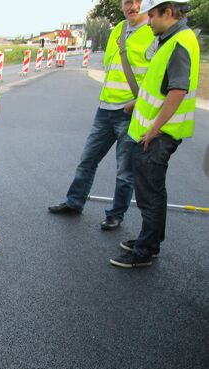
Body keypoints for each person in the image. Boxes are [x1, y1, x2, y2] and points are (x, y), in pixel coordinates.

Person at [48, 0, 154, 230]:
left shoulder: (153, 31)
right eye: (127, 2)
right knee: (87, 159)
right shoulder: (119, 29)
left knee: (125, 170)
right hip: (105, 109)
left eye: (137, 2)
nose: (132, 6)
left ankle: (115, 214)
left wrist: (139, 101)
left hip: (131, 111)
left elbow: (157, 77)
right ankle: (74, 202)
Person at [110, 0, 198, 268]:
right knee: (153, 191)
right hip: (154, 132)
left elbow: (177, 91)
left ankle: (145, 251)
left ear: (168, 13)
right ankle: (150, 241)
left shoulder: (180, 42)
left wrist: (153, 130)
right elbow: (161, 86)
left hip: (158, 136)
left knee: (150, 195)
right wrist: (136, 104)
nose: (149, 23)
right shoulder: (171, 39)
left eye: (153, 17)